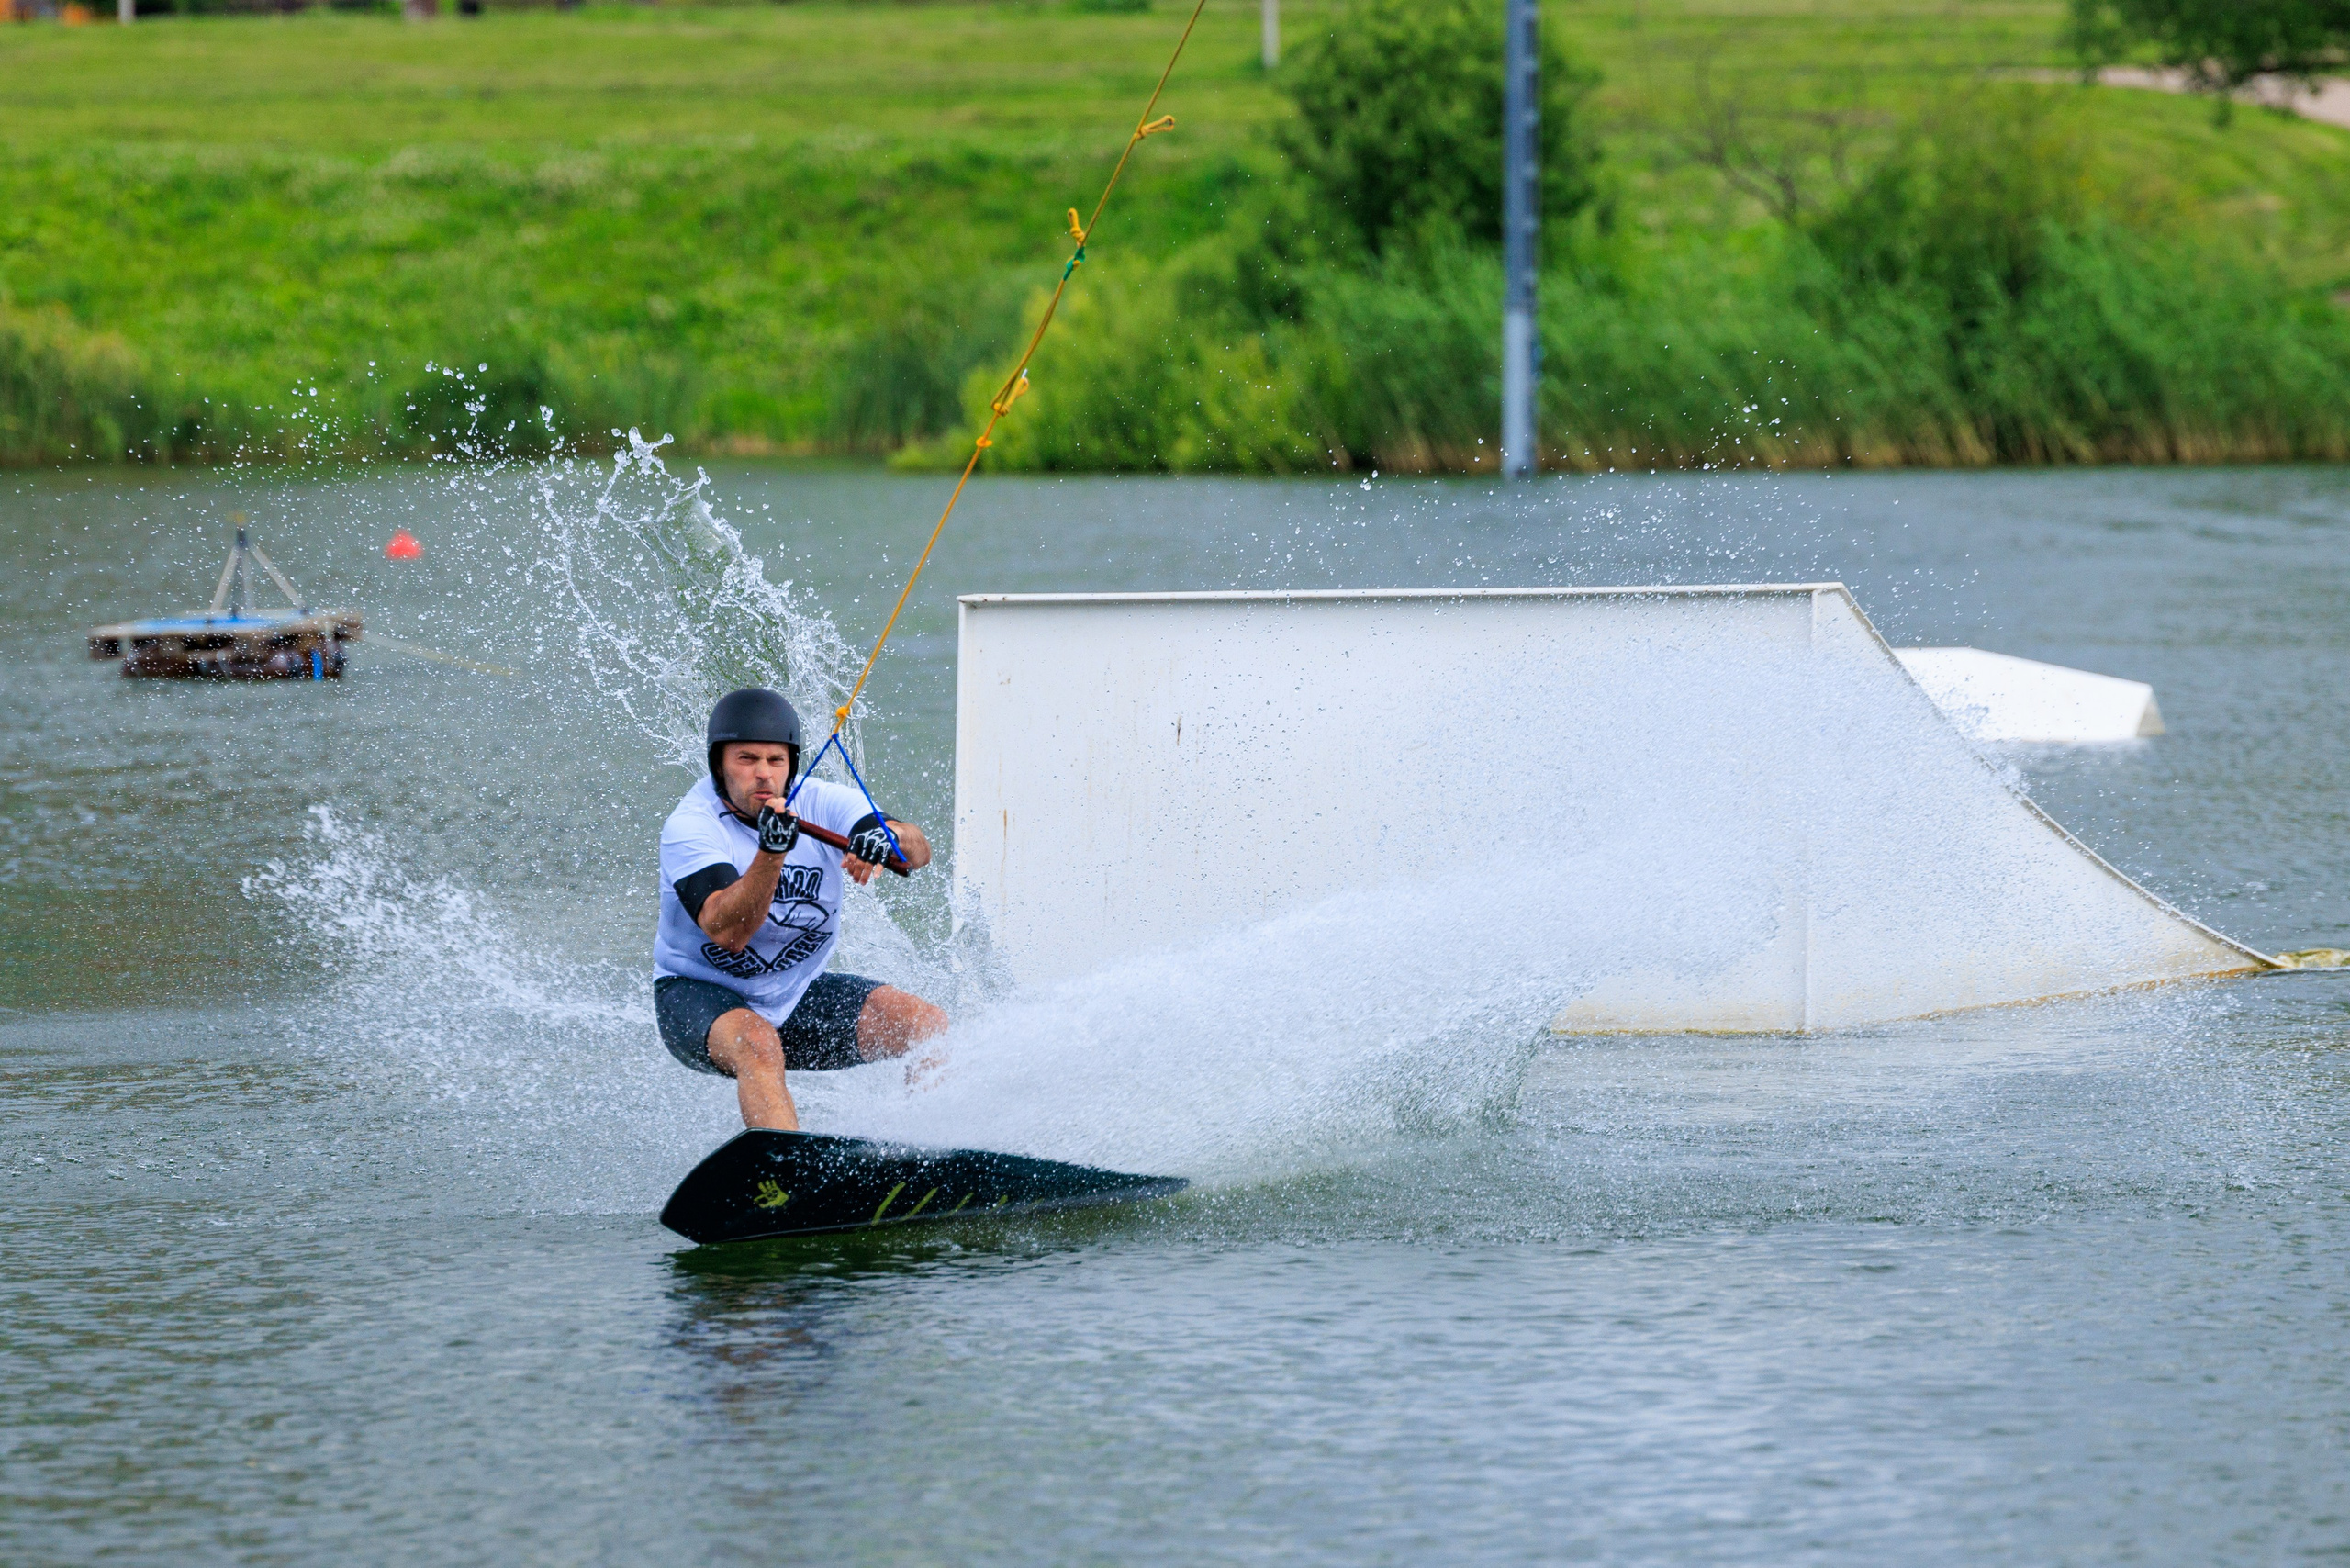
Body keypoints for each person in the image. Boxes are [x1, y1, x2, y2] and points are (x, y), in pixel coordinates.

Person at [654, 688, 947, 1129]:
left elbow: (917, 851)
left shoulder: (823, 801)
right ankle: (785, 1180)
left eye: (776, 761)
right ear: (719, 765)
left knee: (925, 1024)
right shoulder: (691, 826)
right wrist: (772, 852)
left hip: (794, 994)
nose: (763, 775)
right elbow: (728, 933)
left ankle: (929, 1155)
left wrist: (888, 837)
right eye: (747, 759)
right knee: (758, 1043)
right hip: (698, 994)